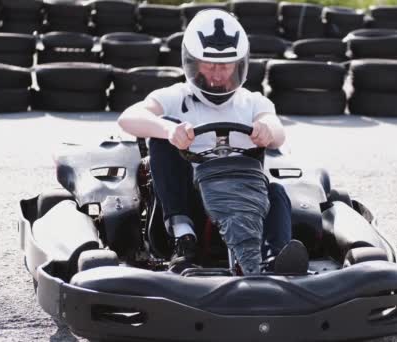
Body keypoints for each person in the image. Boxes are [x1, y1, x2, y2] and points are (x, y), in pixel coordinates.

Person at [117, 9, 308, 275]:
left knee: (277, 192)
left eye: (225, 66)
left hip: (245, 203)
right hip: (191, 203)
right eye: (210, 66)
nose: (218, 75)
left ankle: (275, 257)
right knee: (162, 142)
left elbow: (277, 131)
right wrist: (169, 129)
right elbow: (128, 118)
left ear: (239, 64)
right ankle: (182, 240)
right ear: (193, 63)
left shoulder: (253, 102)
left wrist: (267, 130)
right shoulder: (175, 96)